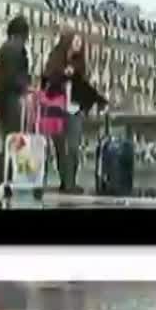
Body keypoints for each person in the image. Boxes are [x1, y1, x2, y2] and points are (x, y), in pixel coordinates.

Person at [40, 30, 108, 194]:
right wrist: (63, 74)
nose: (79, 44)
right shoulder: (55, 59)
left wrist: (98, 101)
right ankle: (65, 181)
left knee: (73, 147)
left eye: (80, 42)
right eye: (76, 41)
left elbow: (83, 86)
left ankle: (71, 182)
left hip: (75, 109)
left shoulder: (80, 63)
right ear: (67, 42)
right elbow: (46, 82)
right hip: (56, 109)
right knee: (60, 148)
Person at [0, 15, 31, 186]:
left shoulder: (4, 48)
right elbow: (14, 77)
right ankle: (5, 174)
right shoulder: (18, 49)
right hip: (12, 99)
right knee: (14, 138)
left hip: (0, 98)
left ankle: (3, 173)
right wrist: (25, 86)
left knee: (8, 137)